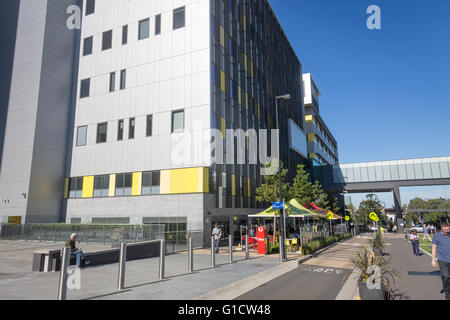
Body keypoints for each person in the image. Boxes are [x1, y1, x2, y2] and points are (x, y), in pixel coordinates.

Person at [432, 222, 450, 300]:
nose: (447, 231)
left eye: (448, 229)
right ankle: (447, 294)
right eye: (445, 229)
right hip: (443, 260)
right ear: (442, 228)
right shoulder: (437, 236)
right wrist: (433, 259)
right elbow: (434, 247)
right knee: (446, 277)